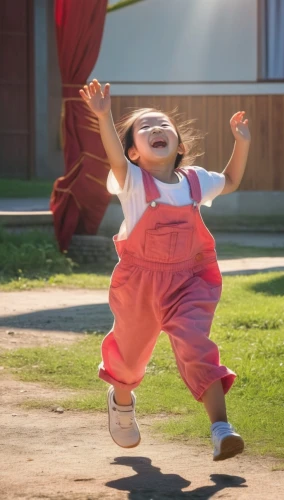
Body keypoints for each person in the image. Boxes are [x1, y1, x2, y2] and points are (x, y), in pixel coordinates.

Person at [79, 79, 251, 461]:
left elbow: (234, 180)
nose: (156, 128)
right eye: (145, 127)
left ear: (179, 145)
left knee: (197, 347)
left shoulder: (195, 181)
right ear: (134, 153)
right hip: (140, 285)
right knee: (128, 355)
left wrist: (242, 142)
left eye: (163, 124)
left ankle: (221, 429)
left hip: (190, 281)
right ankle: (121, 402)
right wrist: (104, 116)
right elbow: (113, 158)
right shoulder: (132, 182)